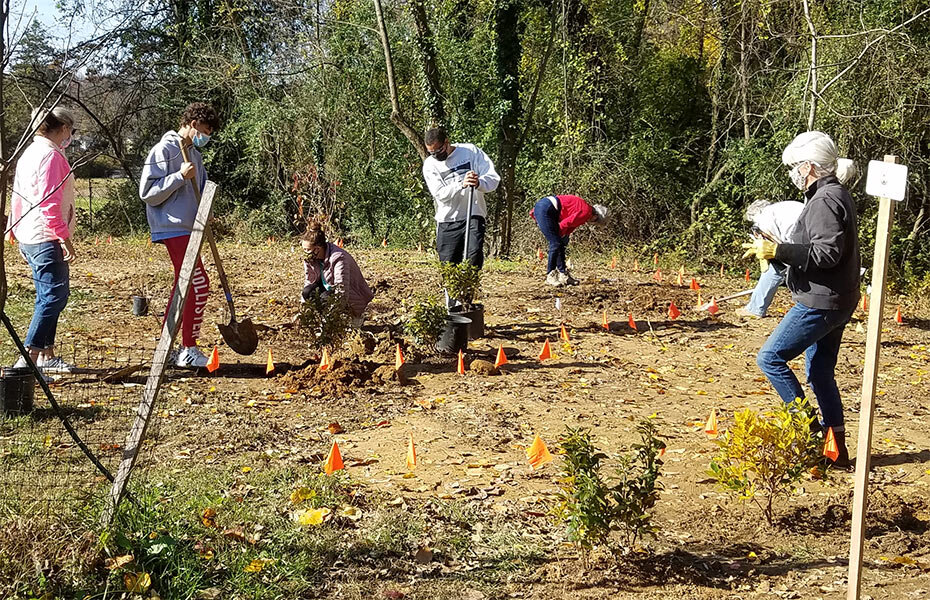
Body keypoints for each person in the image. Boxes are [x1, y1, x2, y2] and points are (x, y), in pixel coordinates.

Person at [742, 131, 860, 468]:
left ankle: (809, 435)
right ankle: (835, 449)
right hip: (836, 298)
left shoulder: (824, 199)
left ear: (808, 166)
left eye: (795, 166)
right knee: (821, 373)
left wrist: (778, 248)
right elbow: (817, 251)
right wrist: (777, 256)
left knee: (770, 358)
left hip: (820, 302)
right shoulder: (832, 193)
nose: (793, 173)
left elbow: (827, 253)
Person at [139, 102, 220, 368]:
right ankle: (189, 348)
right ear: (193, 123)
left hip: (191, 228)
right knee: (198, 283)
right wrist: (178, 177)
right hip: (171, 227)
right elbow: (148, 193)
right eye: (205, 131)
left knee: (183, 287)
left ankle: (167, 348)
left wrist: (206, 211)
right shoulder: (164, 150)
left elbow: (202, 187)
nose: (206, 137)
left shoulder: (194, 153)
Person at [737, 158, 858, 318]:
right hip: (807, 238)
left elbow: (775, 242)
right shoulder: (781, 207)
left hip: (803, 240)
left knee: (774, 270)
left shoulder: (764, 218)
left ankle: (756, 308)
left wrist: (777, 254)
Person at [8, 107, 78, 373]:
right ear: (62, 128)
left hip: (30, 233)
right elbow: (49, 203)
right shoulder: (50, 156)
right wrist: (64, 237)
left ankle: (47, 357)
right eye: (70, 130)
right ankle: (28, 361)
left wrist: (15, 231)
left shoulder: (29, 152)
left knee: (46, 296)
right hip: (45, 235)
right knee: (54, 295)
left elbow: (18, 195)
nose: (70, 135)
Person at [422, 127, 500, 269]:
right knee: (448, 265)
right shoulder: (429, 165)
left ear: (447, 142)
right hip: (448, 219)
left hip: (473, 214)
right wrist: (461, 184)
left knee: (473, 259)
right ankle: (451, 292)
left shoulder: (470, 151)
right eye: (431, 153)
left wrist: (478, 183)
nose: (436, 156)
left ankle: (470, 290)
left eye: (439, 151)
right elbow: (439, 193)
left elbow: (493, 178)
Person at [300, 225, 373, 327]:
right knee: (307, 292)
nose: (305, 253)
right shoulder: (311, 259)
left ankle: (355, 317)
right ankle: (325, 320)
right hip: (328, 286)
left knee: (324, 298)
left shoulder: (339, 258)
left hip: (351, 293)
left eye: (307, 250)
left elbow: (342, 289)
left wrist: (330, 317)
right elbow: (309, 280)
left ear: (317, 249)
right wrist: (304, 306)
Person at [530, 194, 608, 287]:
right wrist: (560, 236)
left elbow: (571, 226)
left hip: (550, 209)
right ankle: (550, 275)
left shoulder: (586, 211)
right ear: (595, 217)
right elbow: (564, 224)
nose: (592, 223)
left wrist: (564, 236)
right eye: (595, 222)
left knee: (562, 243)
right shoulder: (585, 213)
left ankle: (563, 274)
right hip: (546, 209)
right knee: (555, 243)